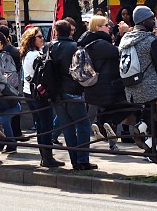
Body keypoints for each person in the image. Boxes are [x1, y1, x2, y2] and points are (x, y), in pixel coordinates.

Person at [119, 5, 157, 154]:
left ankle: (147, 140)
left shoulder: (125, 39)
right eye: (151, 19)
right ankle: (150, 139)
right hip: (151, 88)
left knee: (150, 112)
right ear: (143, 20)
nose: (154, 21)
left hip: (131, 88)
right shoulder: (151, 40)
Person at [47, 20, 95, 171]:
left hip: (55, 92)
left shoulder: (49, 47)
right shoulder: (75, 47)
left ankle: (75, 160)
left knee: (67, 127)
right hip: (73, 91)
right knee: (83, 125)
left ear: (56, 32)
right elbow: (82, 72)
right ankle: (82, 160)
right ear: (71, 31)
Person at [79, 15, 126, 152]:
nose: (109, 27)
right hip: (105, 85)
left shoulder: (91, 41)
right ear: (98, 27)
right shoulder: (99, 43)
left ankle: (108, 138)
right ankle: (99, 130)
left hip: (97, 85)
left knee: (105, 114)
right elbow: (118, 52)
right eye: (106, 25)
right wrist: (123, 34)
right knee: (123, 107)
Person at [20, 26, 60, 167]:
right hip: (38, 94)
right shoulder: (35, 55)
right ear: (32, 39)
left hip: (29, 92)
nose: (43, 39)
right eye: (39, 37)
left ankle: (45, 157)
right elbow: (42, 75)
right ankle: (47, 158)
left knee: (41, 126)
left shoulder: (28, 54)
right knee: (45, 125)